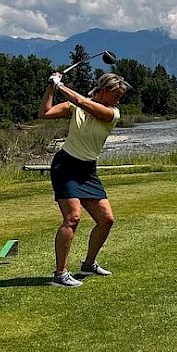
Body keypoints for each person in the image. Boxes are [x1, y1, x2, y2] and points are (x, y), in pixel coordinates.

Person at [39, 71, 131, 287]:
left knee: (106, 220)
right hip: (66, 166)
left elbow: (81, 101)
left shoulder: (111, 114)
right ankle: (60, 274)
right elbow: (44, 112)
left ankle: (88, 264)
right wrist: (51, 88)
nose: (118, 101)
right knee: (72, 218)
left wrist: (60, 85)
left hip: (88, 170)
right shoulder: (75, 108)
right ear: (104, 91)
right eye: (116, 95)